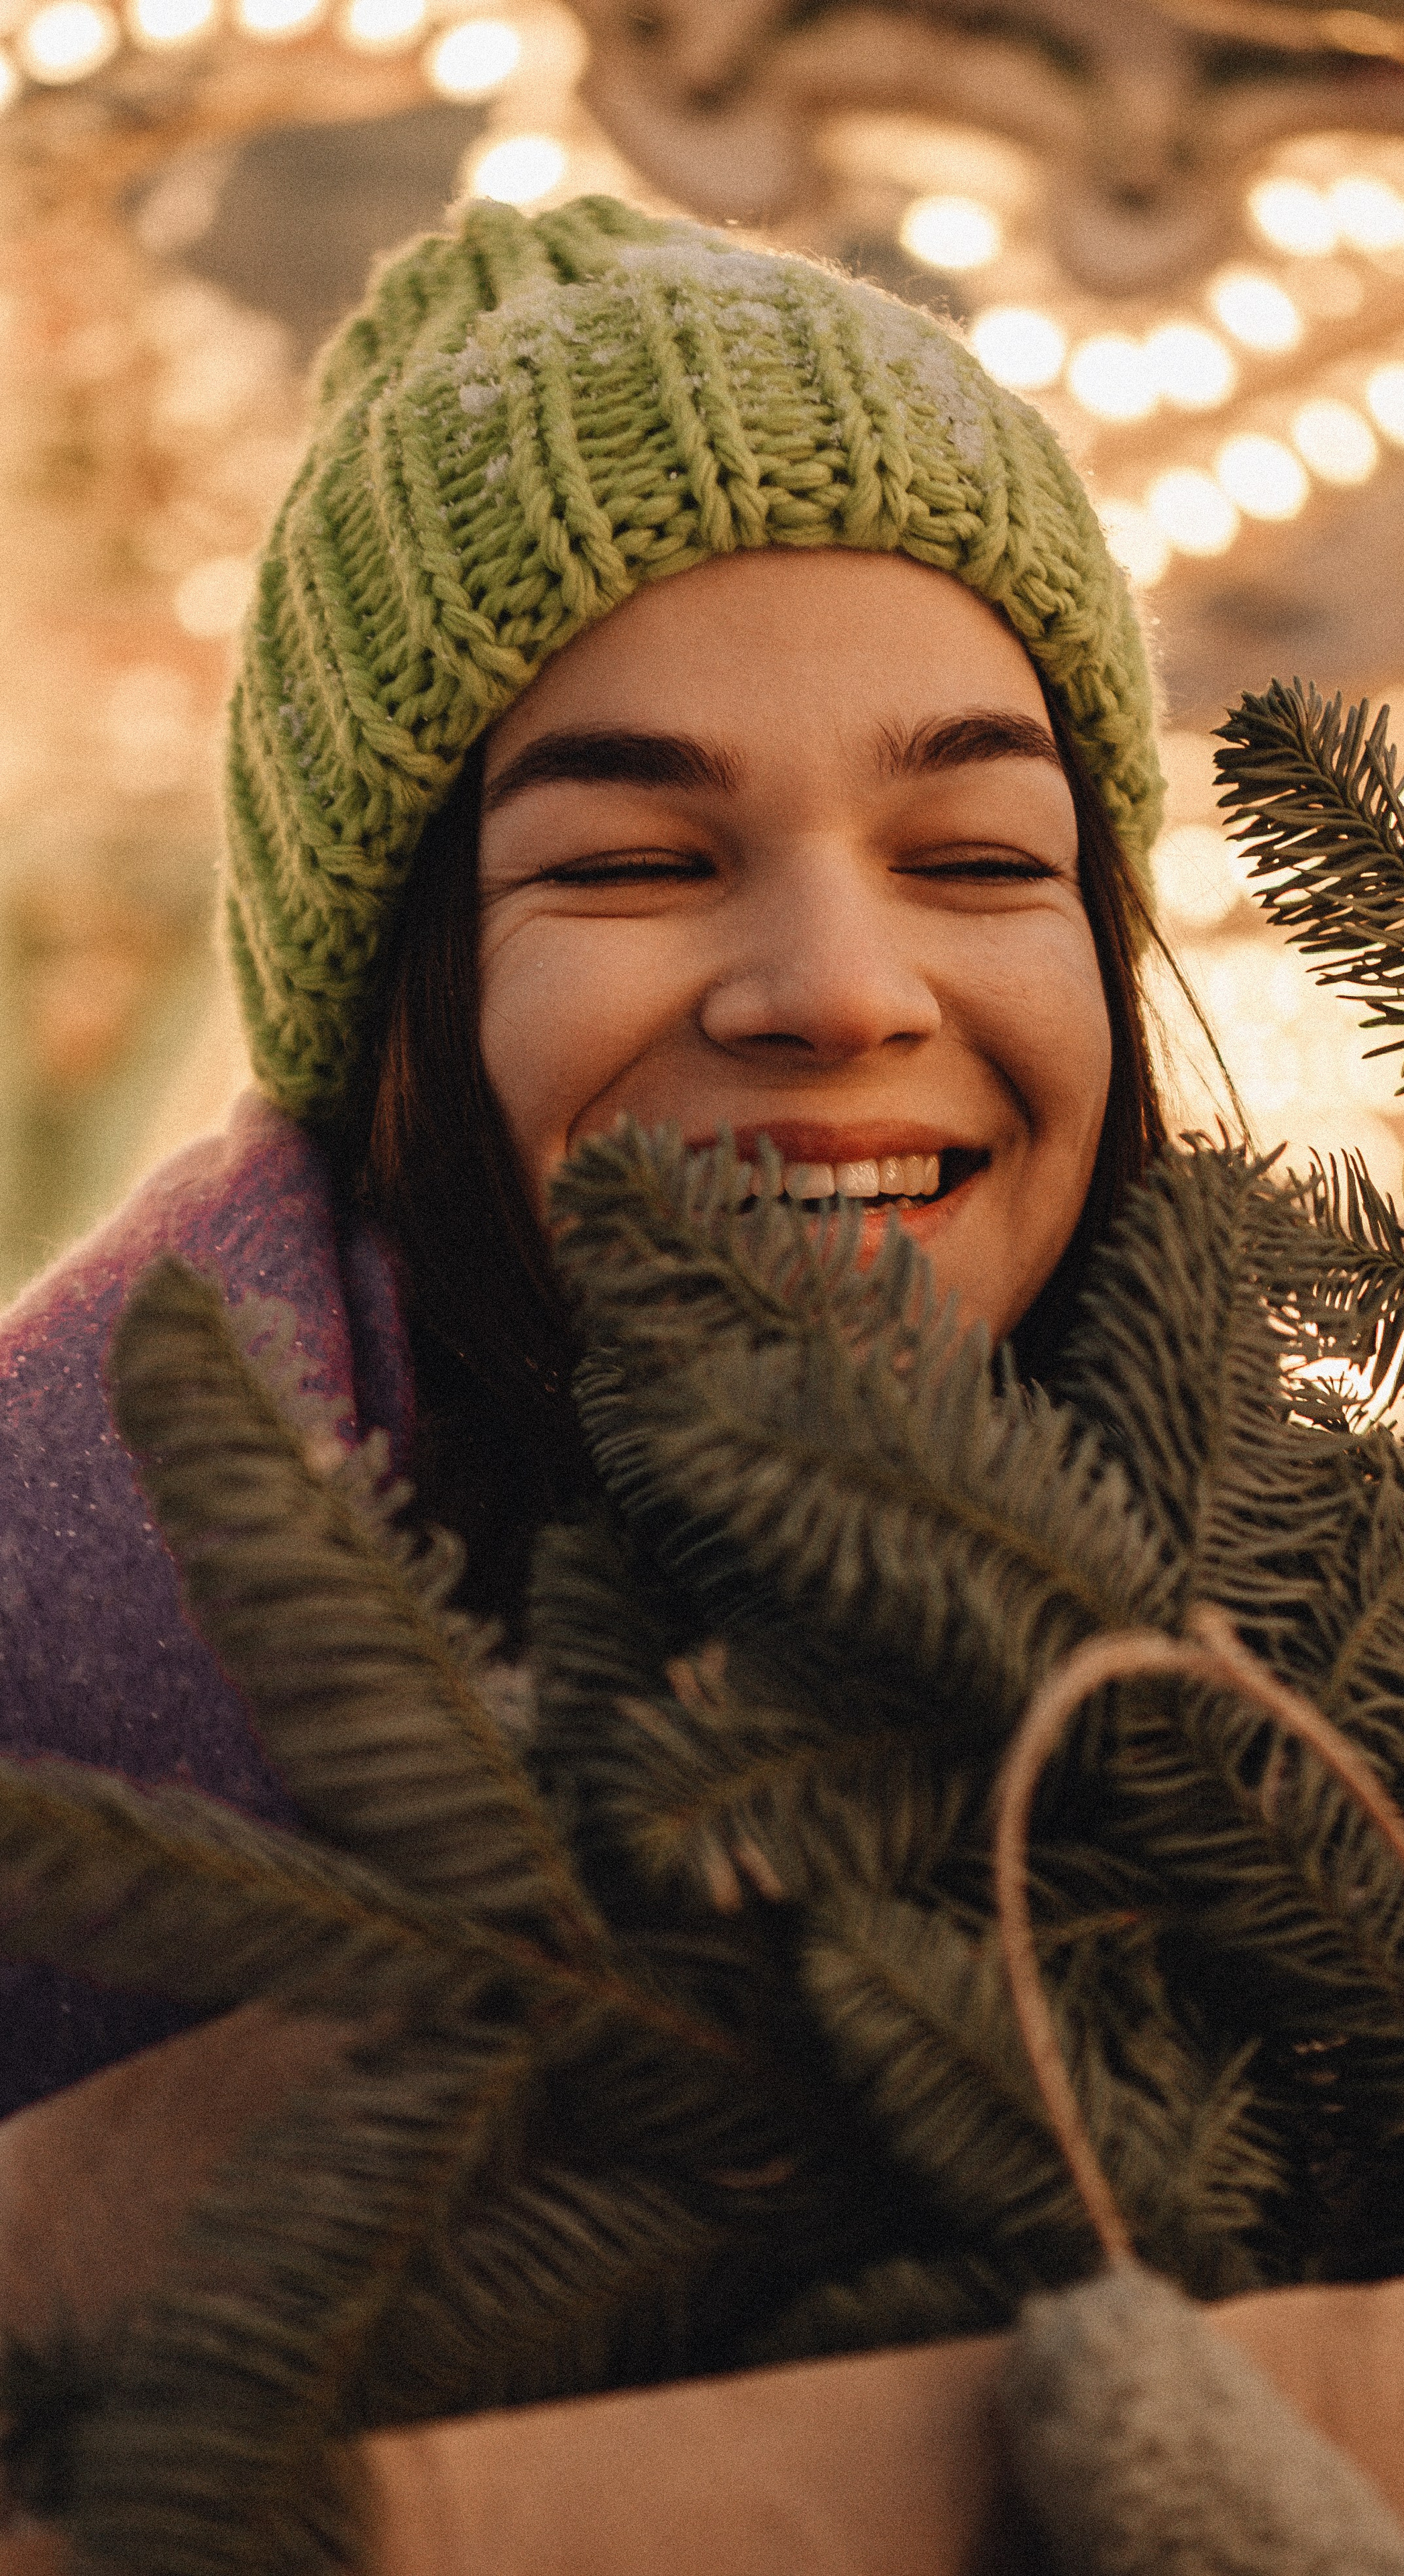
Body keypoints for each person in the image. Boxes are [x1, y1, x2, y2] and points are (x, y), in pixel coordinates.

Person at [0, 193, 1166, 2115]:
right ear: (395, 1013)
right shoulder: (61, 1698)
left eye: (976, 857)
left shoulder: (1394, 1691)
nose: (845, 992)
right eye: (632, 865)